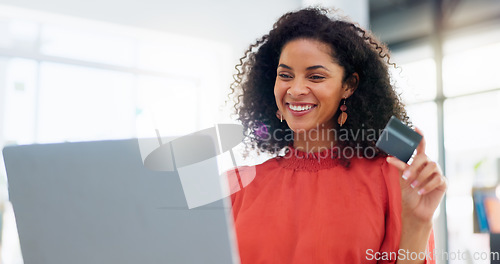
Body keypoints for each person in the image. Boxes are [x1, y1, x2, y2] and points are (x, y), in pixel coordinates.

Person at [225, 7, 446, 264]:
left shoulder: (391, 179)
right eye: (285, 75)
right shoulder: (236, 187)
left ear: (348, 86)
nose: (295, 89)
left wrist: (419, 224)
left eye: (316, 76)